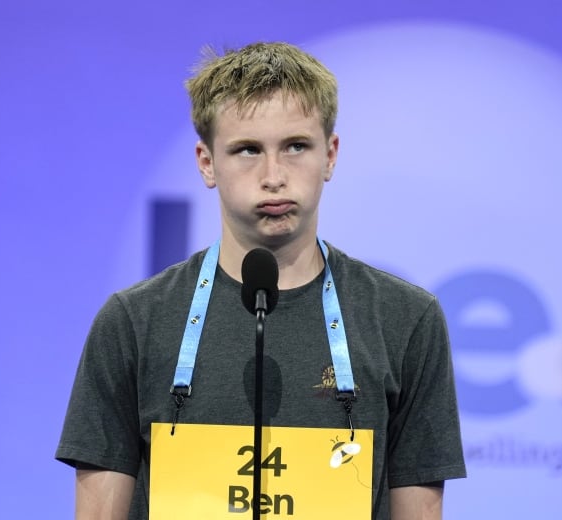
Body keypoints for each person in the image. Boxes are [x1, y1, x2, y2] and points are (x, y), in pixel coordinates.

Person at [56, 41, 466, 519]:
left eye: (296, 146)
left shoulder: (405, 319)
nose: (274, 176)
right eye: (247, 150)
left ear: (330, 155)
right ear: (207, 163)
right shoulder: (133, 321)